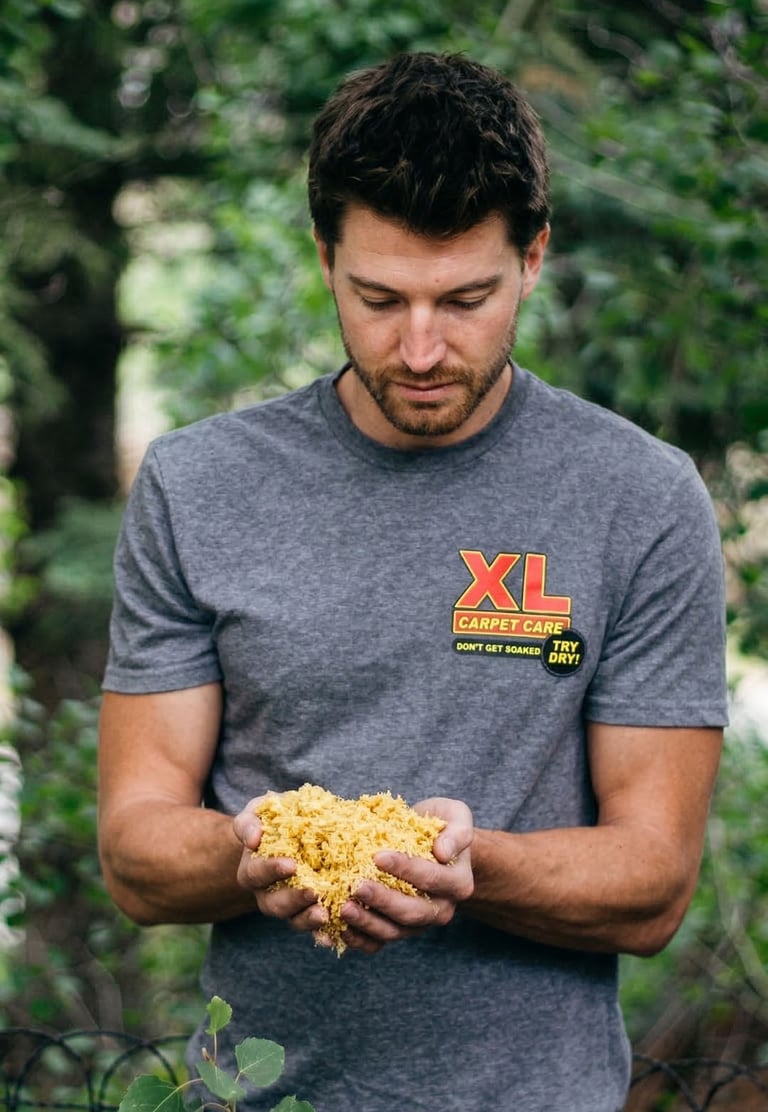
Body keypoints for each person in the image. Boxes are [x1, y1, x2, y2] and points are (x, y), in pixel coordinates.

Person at [97, 51, 728, 1112]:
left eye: (466, 298)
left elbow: (654, 882)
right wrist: (255, 852)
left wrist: (473, 864)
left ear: (533, 257)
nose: (423, 347)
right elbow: (136, 850)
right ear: (323, 257)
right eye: (379, 298)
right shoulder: (199, 484)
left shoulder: (640, 498)